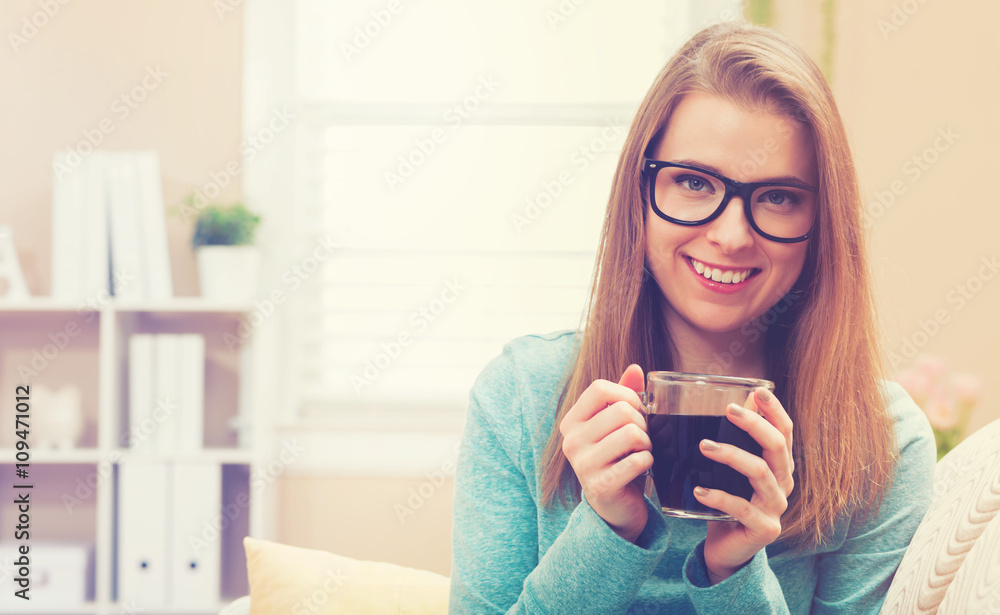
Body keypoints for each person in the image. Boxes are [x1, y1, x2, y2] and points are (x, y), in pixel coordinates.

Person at [449, 21, 935, 614]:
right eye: (693, 182)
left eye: (779, 196)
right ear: (639, 194)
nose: (731, 236)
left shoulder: (883, 442)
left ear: (822, 222)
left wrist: (734, 570)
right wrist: (607, 535)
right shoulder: (520, 395)